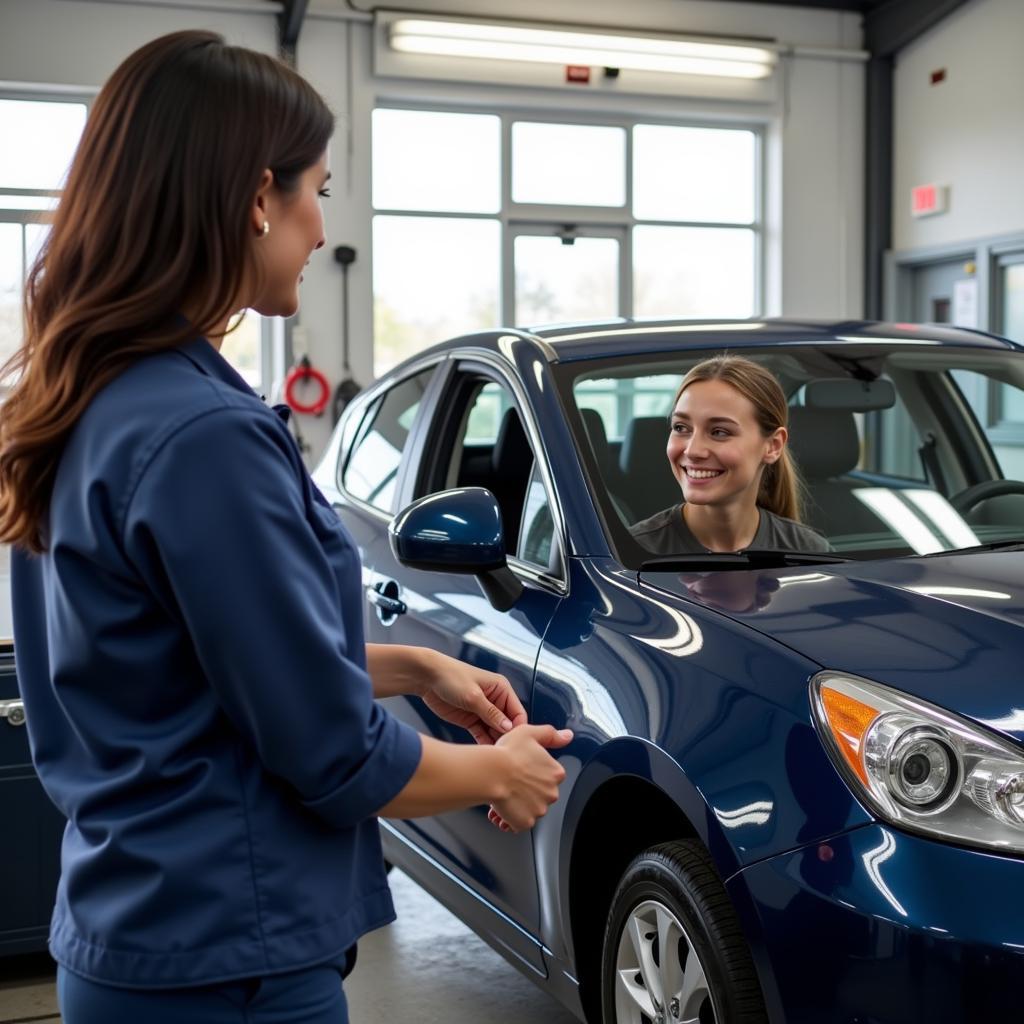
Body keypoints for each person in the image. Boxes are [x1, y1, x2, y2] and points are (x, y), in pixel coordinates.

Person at [0, 31, 571, 1024]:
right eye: (318, 189)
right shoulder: (204, 435)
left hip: (139, 933)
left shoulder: (93, 395)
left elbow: (192, 660)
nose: (318, 228)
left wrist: (413, 667)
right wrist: (500, 771)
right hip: (232, 966)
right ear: (256, 196)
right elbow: (331, 751)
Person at [630, 355, 829, 555]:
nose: (692, 450)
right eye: (681, 427)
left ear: (773, 446)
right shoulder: (628, 554)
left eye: (719, 432)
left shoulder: (812, 553)